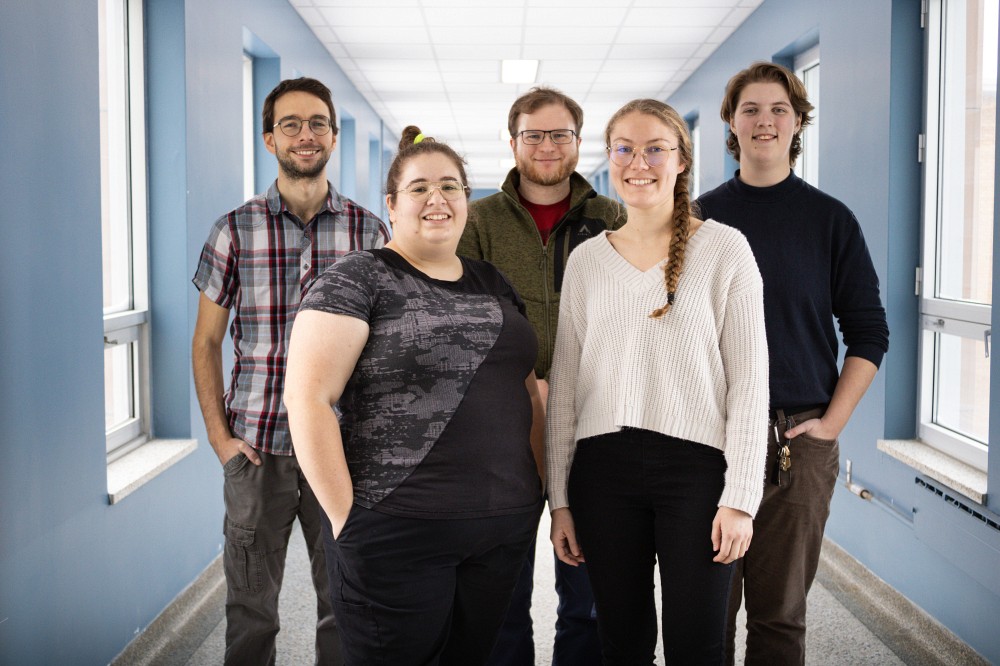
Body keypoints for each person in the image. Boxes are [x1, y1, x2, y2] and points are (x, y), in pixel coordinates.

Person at [283, 126, 546, 665]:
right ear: (392, 205)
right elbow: (307, 399)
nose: (437, 199)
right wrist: (344, 519)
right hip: (397, 529)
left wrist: (540, 491)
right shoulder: (357, 279)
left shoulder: (492, 282)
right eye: (420, 187)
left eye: (451, 186)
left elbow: (525, 387)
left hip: (501, 529)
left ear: (466, 201)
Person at [546, 98, 769, 665]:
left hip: (697, 474)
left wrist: (741, 498)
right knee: (621, 643)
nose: (637, 162)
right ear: (608, 158)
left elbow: (750, 383)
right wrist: (560, 502)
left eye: (654, 148)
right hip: (602, 474)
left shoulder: (725, 250)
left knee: (697, 643)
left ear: (680, 160)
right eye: (623, 148)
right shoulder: (587, 261)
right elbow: (566, 390)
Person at [696, 62, 889, 665]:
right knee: (707, 611)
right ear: (731, 121)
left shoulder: (830, 220)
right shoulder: (697, 220)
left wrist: (831, 425)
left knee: (780, 616)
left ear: (798, 120)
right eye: (750, 109)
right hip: (711, 439)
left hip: (797, 442)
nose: (764, 121)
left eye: (778, 108)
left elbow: (869, 332)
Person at [191, 77, 389, 666]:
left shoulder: (370, 232)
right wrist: (219, 438)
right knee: (251, 609)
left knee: (346, 600)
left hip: (343, 448)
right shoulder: (233, 230)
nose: (306, 135)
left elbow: (387, 343)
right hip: (256, 450)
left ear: (332, 134)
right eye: (291, 125)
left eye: (317, 124)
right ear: (269, 138)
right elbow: (206, 342)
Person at [458, 85, 622, 666]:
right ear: (513, 142)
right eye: (534, 134)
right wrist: (526, 384)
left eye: (560, 134)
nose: (547, 146)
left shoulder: (613, 217)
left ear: (580, 143)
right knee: (501, 593)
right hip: (503, 430)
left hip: (595, 425)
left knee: (590, 592)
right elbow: (460, 317)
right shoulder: (476, 223)